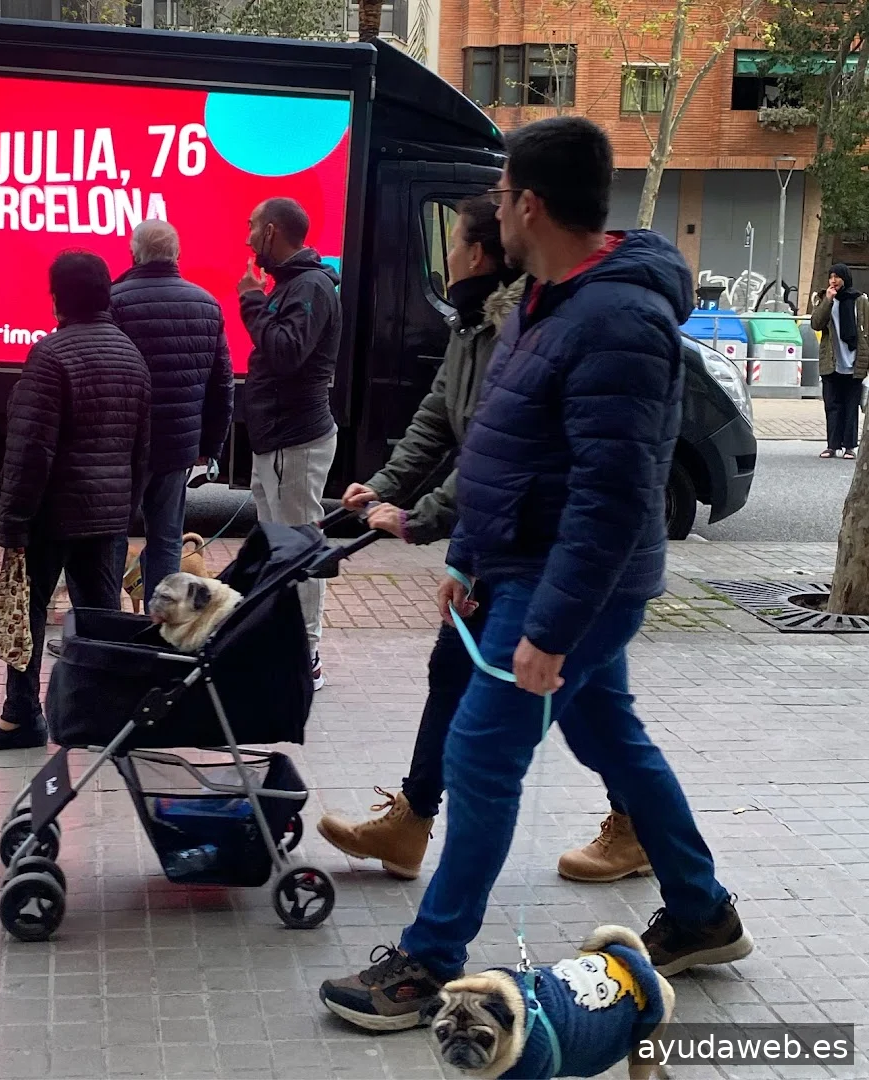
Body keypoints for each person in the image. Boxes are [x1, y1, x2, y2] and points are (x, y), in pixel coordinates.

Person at [320, 117, 753, 1032]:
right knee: (614, 740)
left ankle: (431, 960)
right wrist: (466, 554)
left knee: (481, 753)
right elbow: (503, 447)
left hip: (569, 585)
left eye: (503, 192)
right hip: (523, 568)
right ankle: (703, 911)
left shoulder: (619, 318)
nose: (496, 210)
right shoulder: (546, 299)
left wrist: (550, 630)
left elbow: (613, 497)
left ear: (532, 204)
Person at [316, 196, 525, 877]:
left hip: (535, 548)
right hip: (492, 539)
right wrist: (382, 487)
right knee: (457, 669)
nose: (448, 255)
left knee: (585, 714)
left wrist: (419, 517)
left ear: (479, 254)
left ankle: (651, 837)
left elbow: (493, 449)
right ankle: (412, 821)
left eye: (455, 242)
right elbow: (436, 420)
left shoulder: (517, 332)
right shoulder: (471, 326)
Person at [0, 251, 152, 751]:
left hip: (52, 514)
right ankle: (102, 718)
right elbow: (141, 450)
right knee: (100, 618)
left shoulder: (50, 356)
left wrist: (13, 521)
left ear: (57, 299)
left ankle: (21, 716)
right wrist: (125, 508)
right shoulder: (131, 354)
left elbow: (31, 449)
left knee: (27, 611)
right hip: (107, 516)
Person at [238, 197, 342, 689]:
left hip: (294, 440)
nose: (247, 237)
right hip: (276, 440)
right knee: (277, 547)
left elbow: (286, 353)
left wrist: (252, 301)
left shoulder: (310, 286)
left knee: (299, 547)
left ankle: (306, 656)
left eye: (252, 227)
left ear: (271, 231)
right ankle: (281, 643)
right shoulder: (292, 284)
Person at [111, 219, 234, 593]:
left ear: (133, 254)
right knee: (166, 539)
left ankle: (106, 618)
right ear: (177, 254)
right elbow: (222, 385)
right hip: (178, 445)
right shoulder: (207, 304)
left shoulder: (114, 301)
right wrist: (210, 446)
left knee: (112, 535)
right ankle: (160, 618)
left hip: (123, 445)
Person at [812, 262, 867, 460]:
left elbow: (866, 329)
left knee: (851, 406)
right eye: (831, 276)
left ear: (846, 278)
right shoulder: (824, 298)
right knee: (832, 406)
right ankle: (832, 446)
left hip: (854, 361)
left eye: (837, 277)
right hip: (831, 362)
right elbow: (816, 324)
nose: (833, 280)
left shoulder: (860, 300)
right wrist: (828, 300)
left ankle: (850, 446)